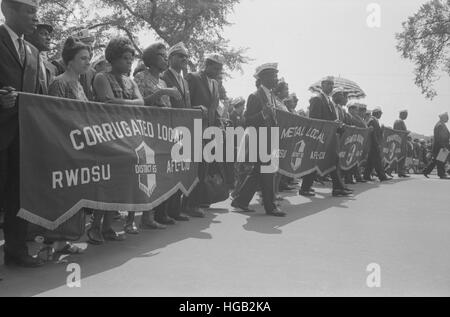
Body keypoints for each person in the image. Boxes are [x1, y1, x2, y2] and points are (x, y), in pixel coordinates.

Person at [0, 0, 44, 267]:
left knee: (18, 194)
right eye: (29, 11)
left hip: (23, 134)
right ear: (8, 10)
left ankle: (16, 251)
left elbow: (37, 94)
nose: (34, 18)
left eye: (35, 11)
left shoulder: (32, 51)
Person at [91, 36, 145, 242]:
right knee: (104, 185)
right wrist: (123, 103)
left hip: (127, 138)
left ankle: (107, 227)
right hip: (106, 137)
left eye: (131, 58)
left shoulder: (130, 81)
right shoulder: (101, 77)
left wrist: (118, 101)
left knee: (119, 184)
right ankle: (94, 227)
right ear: (112, 58)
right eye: (125, 58)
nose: (129, 62)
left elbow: (141, 102)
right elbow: (106, 104)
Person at [47, 37, 92, 254]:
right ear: (70, 61)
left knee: (76, 194)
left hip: (80, 147)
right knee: (62, 195)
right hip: (64, 147)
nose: (87, 62)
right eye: (83, 58)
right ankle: (55, 242)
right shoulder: (59, 82)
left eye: (89, 58)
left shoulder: (80, 84)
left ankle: (66, 240)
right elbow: (55, 117)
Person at [134, 42, 185, 226]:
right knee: (149, 174)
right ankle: (147, 216)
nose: (165, 58)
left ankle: (160, 213)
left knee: (163, 173)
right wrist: (161, 93)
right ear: (151, 59)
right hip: (146, 131)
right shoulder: (140, 77)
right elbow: (140, 103)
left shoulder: (163, 80)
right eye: (162, 55)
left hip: (163, 133)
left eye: (165, 55)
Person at [231, 63, 286, 217]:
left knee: (257, 173)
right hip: (260, 140)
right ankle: (271, 207)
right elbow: (247, 121)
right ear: (263, 78)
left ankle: (240, 201)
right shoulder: (255, 96)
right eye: (273, 76)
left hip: (270, 138)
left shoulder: (272, 96)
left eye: (276, 75)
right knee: (267, 172)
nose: (276, 79)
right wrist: (263, 114)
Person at [184, 53, 225, 218]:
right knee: (193, 169)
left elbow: (214, 107)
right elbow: (186, 103)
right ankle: (188, 204)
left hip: (209, 131)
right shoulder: (192, 78)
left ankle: (197, 202)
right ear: (206, 65)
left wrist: (218, 124)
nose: (217, 71)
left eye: (220, 68)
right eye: (215, 67)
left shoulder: (215, 83)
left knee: (204, 169)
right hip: (193, 130)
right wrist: (195, 108)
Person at [299, 77, 352, 197]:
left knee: (331, 160)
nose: (330, 86)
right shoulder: (317, 99)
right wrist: (331, 124)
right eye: (328, 84)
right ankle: (307, 188)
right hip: (318, 136)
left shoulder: (329, 101)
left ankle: (336, 187)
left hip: (328, 136)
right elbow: (315, 119)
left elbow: (330, 119)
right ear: (322, 85)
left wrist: (337, 124)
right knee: (315, 162)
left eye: (332, 84)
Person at [24, 23, 56, 94]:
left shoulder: (47, 66)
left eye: (48, 34)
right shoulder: (24, 59)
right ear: (29, 36)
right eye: (42, 34)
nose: (48, 38)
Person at [363, 107, 391, 182]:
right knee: (378, 160)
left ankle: (366, 175)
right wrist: (377, 144)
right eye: (380, 113)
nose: (381, 115)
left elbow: (377, 133)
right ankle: (382, 176)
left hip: (373, 143)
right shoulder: (372, 120)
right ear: (377, 113)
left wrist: (381, 129)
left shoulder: (374, 120)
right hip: (373, 143)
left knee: (371, 161)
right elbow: (373, 134)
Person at [423, 112, 450, 179]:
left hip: (440, 145)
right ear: (443, 117)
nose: (448, 119)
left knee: (435, 160)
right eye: (447, 117)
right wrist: (443, 146)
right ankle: (441, 174)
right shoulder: (440, 125)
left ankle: (426, 171)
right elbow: (440, 137)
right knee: (441, 160)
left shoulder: (441, 124)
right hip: (440, 146)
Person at [389, 110, 410, 177]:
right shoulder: (399, 121)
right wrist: (406, 132)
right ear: (402, 114)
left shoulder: (398, 121)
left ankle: (400, 172)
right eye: (405, 114)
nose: (406, 116)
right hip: (401, 142)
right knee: (400, 156)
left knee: (400, 157)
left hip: (400, 141)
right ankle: (389, 170)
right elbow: (400, 132)